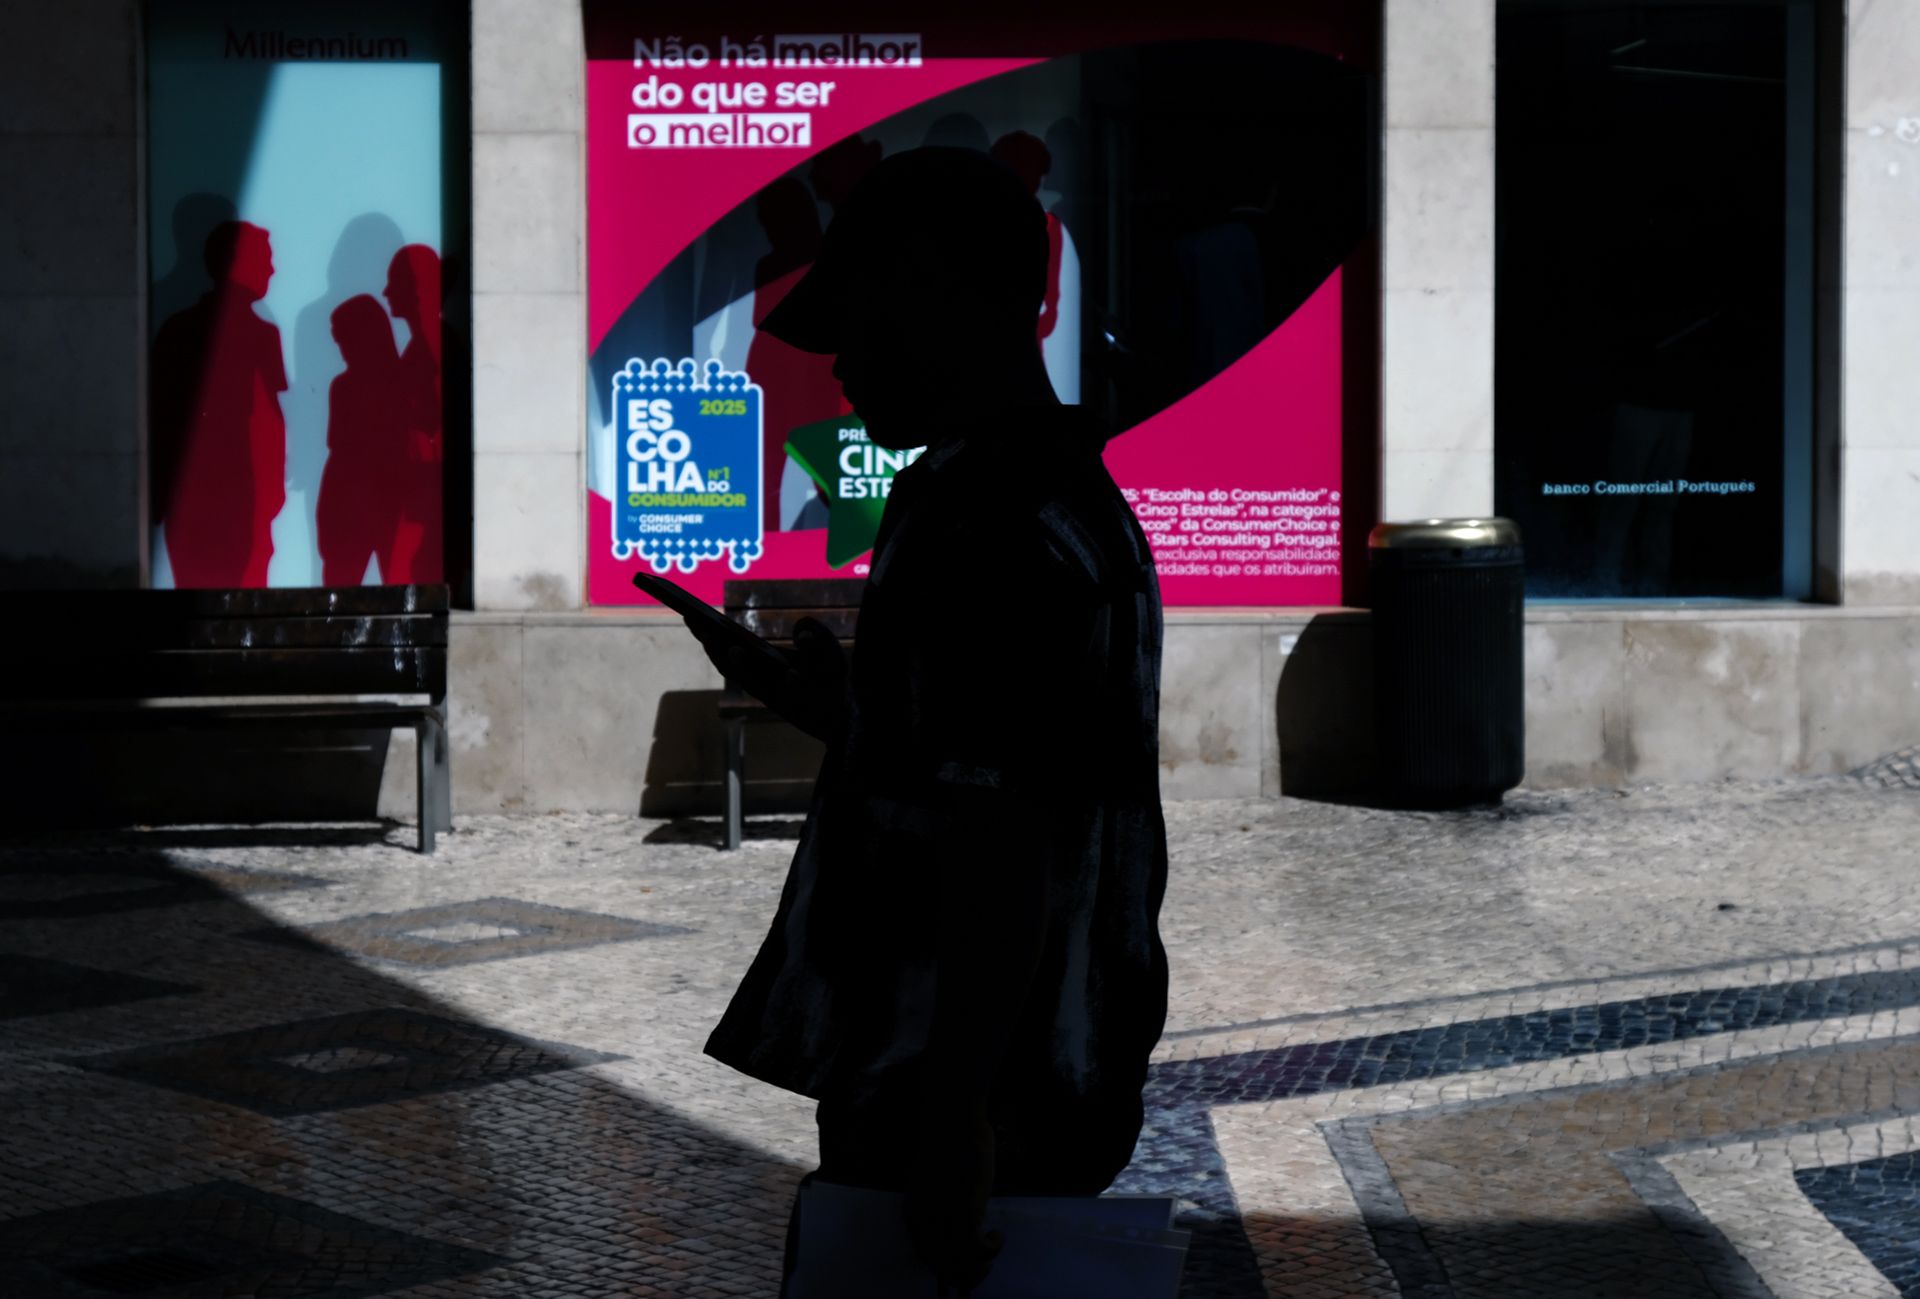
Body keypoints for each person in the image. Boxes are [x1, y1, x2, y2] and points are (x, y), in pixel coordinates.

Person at [680, 147, 1170, 1296]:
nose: (840, 365)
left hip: (971, 1081)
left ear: (937, 293)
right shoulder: (1055, 494)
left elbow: (1003, 837)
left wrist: (957, 1120)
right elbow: (990, 768)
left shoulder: (986, 518)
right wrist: (841, 714)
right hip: (1032, 1063)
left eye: (859, 322)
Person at [150, 220, 288, 587]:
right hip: (237, 489)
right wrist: (271, 494)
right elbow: (271, 423)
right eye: (266, 259)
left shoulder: (177, 328)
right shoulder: (260, 334)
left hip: (193, 491)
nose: (272, 270)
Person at [315, 294, 404, 585]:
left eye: (345, 340)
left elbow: (340, 449)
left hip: (370, 499)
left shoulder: (348, 387)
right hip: (356, 502)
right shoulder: (345, 386)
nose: (341, 349)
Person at [382, 244, 444, 582]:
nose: (386, 292)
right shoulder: (422, 344)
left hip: (424, 483)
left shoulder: (433, 344)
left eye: (395, 282)